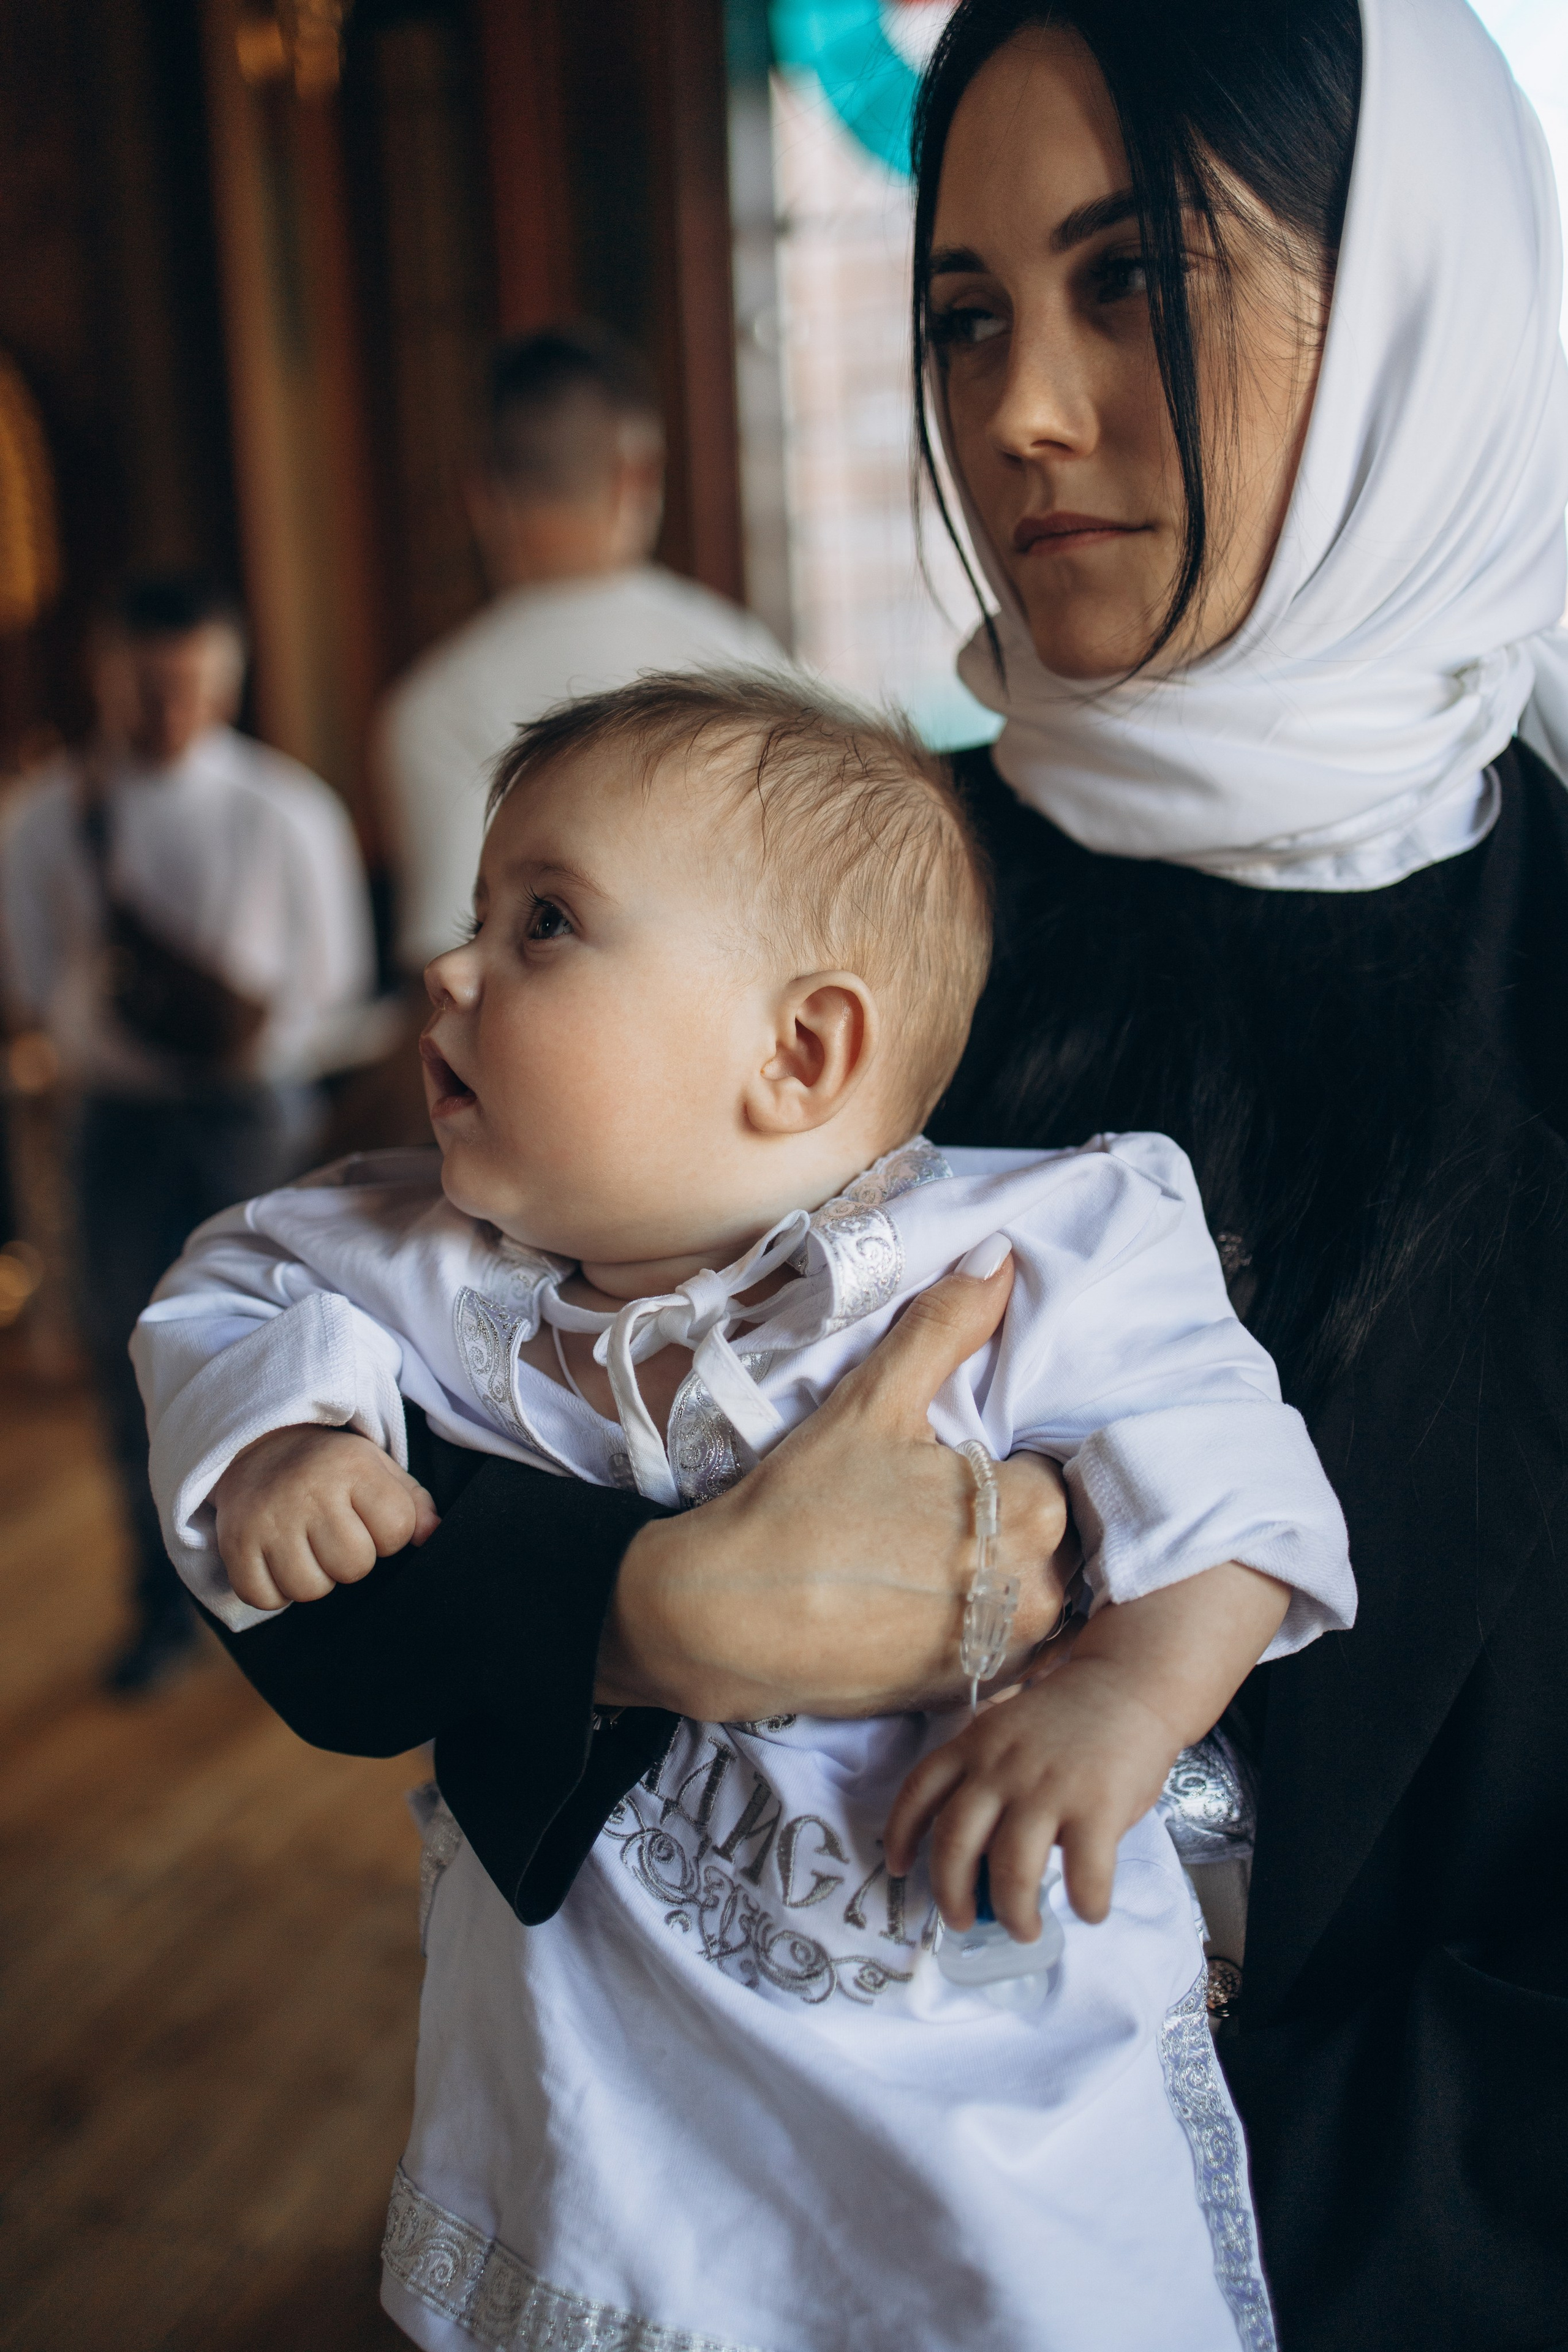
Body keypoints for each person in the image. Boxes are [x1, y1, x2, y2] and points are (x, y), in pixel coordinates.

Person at [147, 1, 1568, 2343]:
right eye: (965, 312)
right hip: (722, 2219)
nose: (1016, 412)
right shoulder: (829, 919)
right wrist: (653, 1614)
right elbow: (358, 1446)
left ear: (1425, 304)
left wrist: (1139, 2216)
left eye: (1131, 280)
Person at [133, 673, 1352, 2351]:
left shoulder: (1035, 1251)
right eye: (479, 911)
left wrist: (1123, 1699)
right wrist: (290, 1433)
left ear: (798, 1053)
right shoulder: (422, 1255)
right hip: (617, 2083)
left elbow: (1230, 1479)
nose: (451, 967)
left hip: (971, 2044)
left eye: (543, 922)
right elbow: (231, 1289)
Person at [0, 570, 374, 1691]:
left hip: (251, 1116)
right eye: (147, 685)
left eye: (194, 685)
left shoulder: (286, 810)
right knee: (129, 1358)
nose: (171, 709)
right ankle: (162, 1602)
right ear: (105, 675)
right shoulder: (43, 820)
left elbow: (334, 982)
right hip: (115, 1122)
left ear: (228, 680)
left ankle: (294, 1594)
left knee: (283, 1352)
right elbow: (32, 984)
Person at [379, 323, 786, 974]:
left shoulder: (436, 707)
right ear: (637, 475)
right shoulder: (745, 658)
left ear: (479, 494)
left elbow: (448, 964)